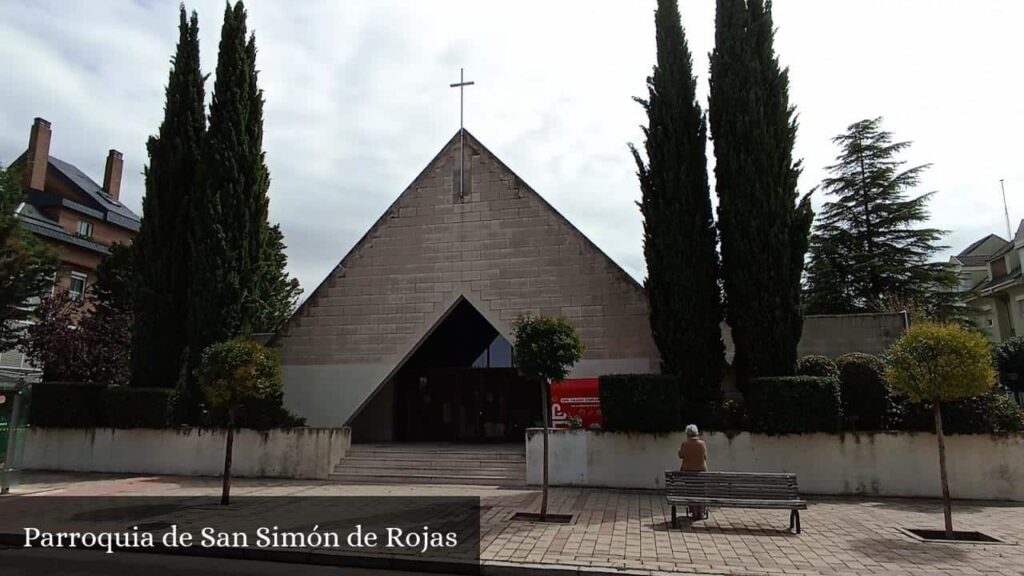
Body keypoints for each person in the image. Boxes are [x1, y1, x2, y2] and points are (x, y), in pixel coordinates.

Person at [678, 424, 708, 520]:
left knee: (691, 491)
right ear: (697, 433)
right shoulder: (702, 444)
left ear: (687, 434)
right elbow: (705, 456)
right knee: (700, 491)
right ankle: (700, 512)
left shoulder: (685, 444)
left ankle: (693, 511)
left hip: (688, 472)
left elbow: (681, 455)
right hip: (701, 472)